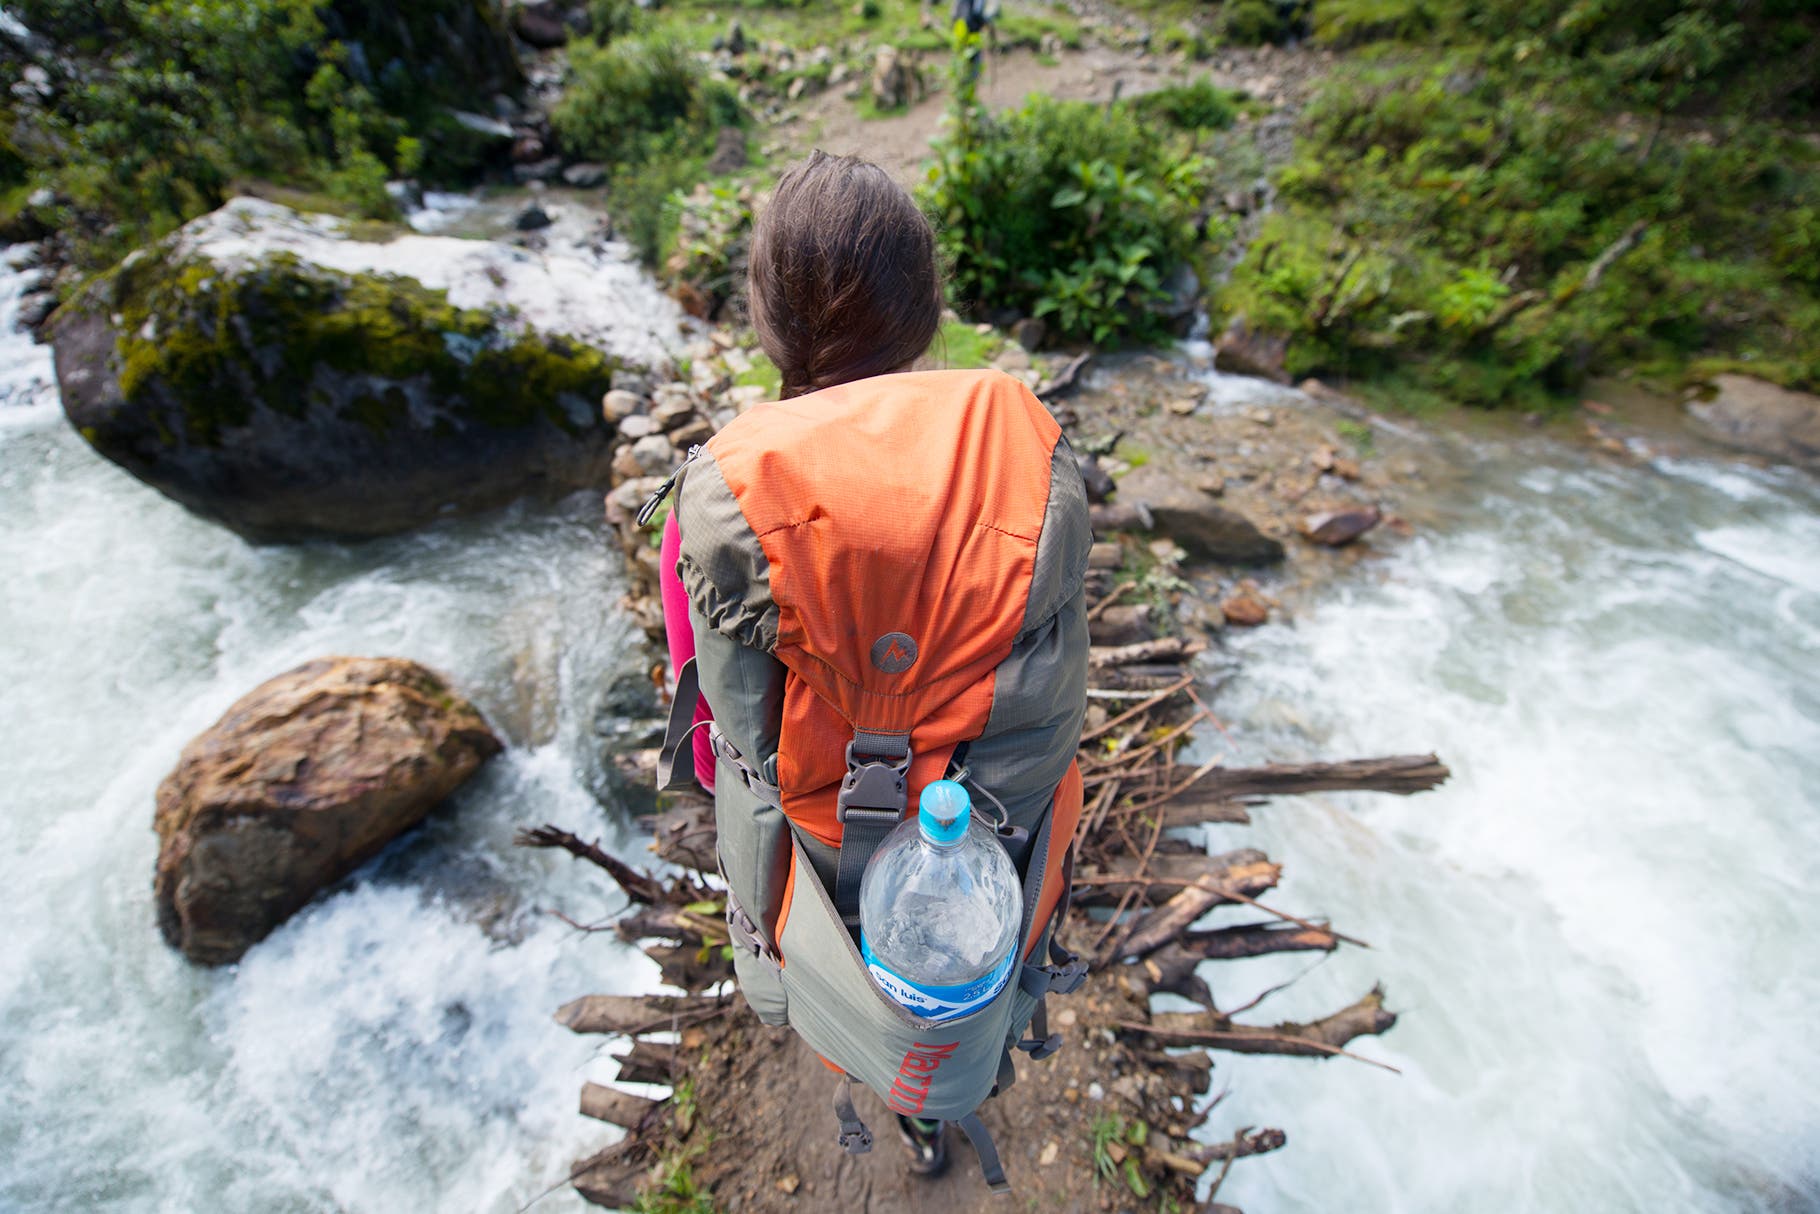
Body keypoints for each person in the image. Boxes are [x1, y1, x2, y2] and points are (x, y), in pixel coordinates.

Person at [657, 150, 1090, 1184]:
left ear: (762, 320)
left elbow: (718, 747)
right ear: (925, 315)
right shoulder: (1024, 459)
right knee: (948, 985)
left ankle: (865, 1064)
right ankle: (935, 1104)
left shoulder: (723, 493)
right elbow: (1057, 674)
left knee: (845, 979)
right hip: (985, 852)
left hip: (812, 863)